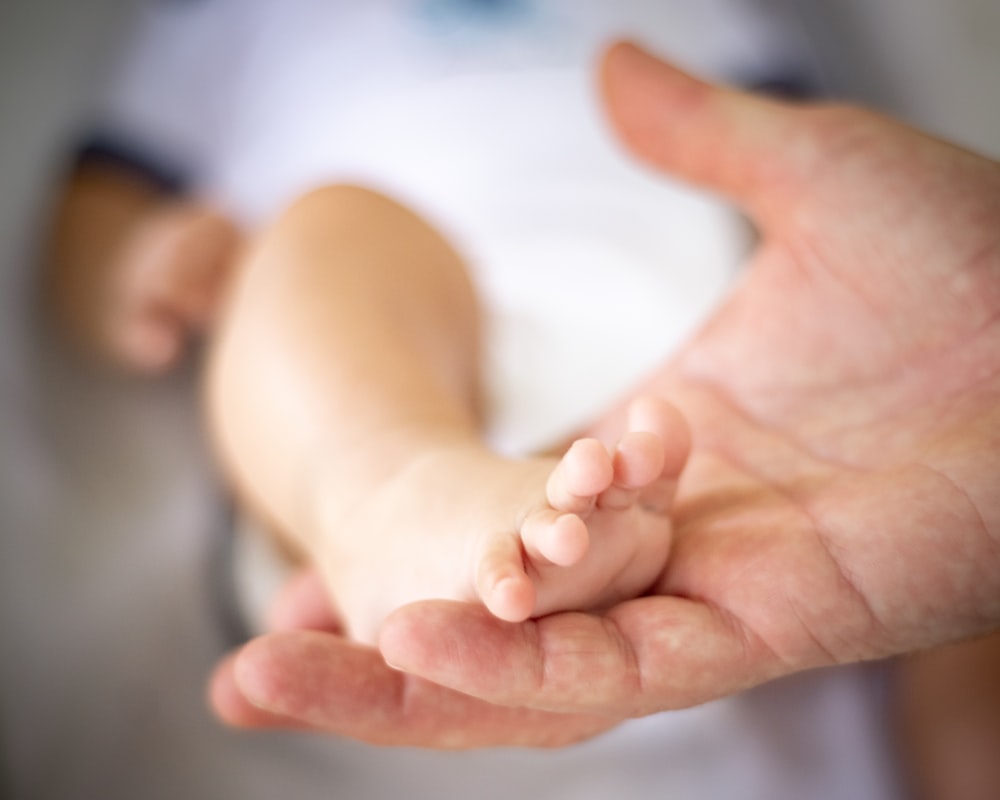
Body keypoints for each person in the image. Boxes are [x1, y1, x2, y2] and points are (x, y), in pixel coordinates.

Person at [39, 3, 997, 799]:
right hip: (394, 343)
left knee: (957, 560)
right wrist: (127, 265)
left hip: (718, 404)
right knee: (330, 234)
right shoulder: (241, 19)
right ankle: (397, 501)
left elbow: (807, 174)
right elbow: (99, 193)